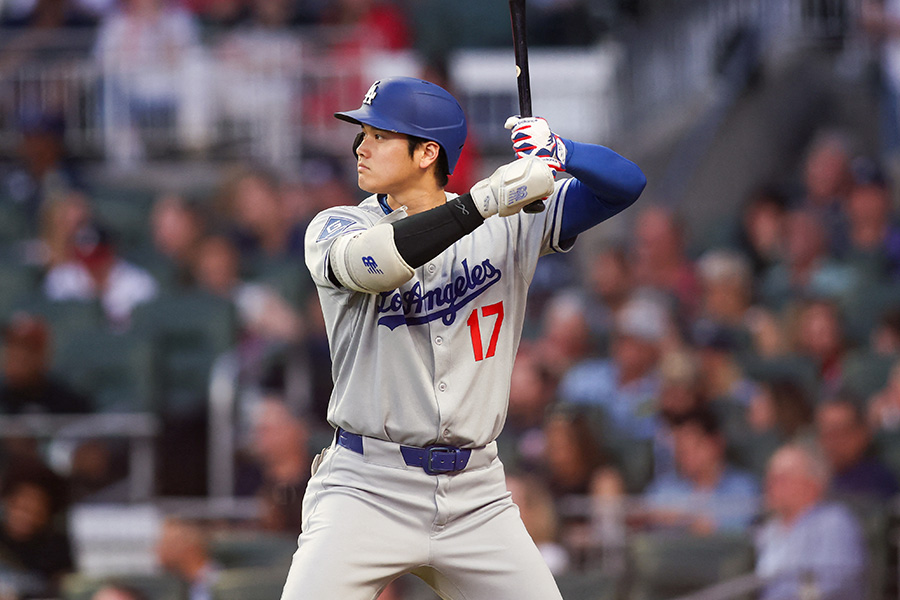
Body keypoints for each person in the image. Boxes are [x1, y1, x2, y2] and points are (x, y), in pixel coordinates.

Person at [280, 76, 645, 599]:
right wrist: (480, 204)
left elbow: (625, 185)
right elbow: (379, 263)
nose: (360, 147)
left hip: (476, 491)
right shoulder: (336, 225)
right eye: (363, 134)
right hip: (367, 485)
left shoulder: (509, 222)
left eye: (379, 135)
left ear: (427, 152)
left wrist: (561, 151)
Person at [755, 444, 867, 600]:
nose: (769, 485)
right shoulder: (769, 528)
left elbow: (833, 584)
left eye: (780, 478)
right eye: (769, 477)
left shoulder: (834, 522)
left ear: (812, 484)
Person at [639, 407, 760, 534]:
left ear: (716, 443)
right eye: (680, 450)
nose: (686, 456)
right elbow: (645, 520)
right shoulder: (663, 489)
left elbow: (741, 530)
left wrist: (690, 522)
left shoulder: (744, 487)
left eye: (694, 447)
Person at [816, 397, 899, 501]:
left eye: (839, 432)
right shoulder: (824, 479)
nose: (832, 442)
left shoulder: (877, 482)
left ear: (862, 432)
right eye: (826, 433)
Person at [155, 516, 220, 600]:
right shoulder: (183, 585)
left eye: (165, 543)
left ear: (189, 547)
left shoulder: (219, 583)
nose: (157, 550)